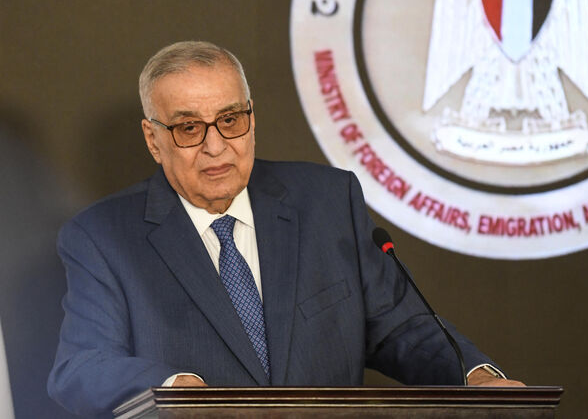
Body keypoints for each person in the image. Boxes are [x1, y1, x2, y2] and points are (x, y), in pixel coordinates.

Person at [47, 41, 523, 417]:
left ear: (251, 120)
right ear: (154, 139)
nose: (216, 147)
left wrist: (474, 377)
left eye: (229, 120)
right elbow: (81, 368)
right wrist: (173, 389)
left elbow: (403, 328)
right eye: (189, 129)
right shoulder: (103, 237)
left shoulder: (327, 201)